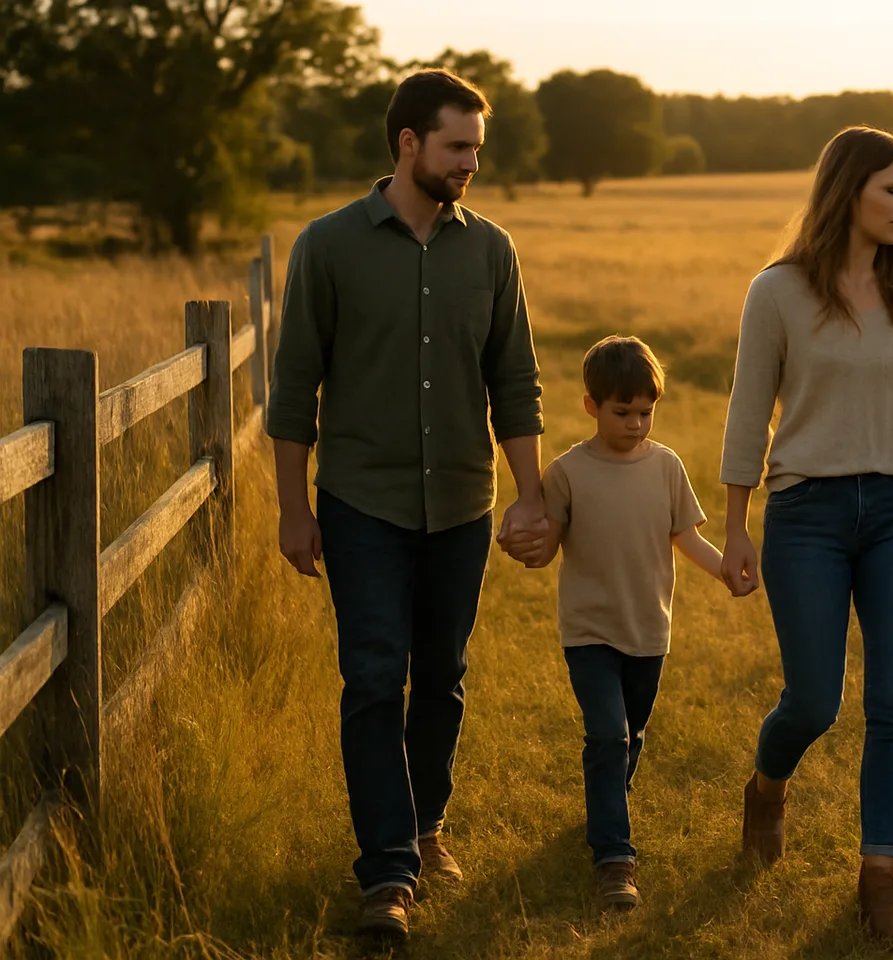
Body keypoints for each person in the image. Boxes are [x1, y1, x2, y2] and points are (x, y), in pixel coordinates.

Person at [265, 69, 548, 939]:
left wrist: (533, 496)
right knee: (373, 678)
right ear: (408, 144)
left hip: (462, 502)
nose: (471, 163)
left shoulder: (492, 251)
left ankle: (427, 829)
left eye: (477, 149)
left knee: (445, 678)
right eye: (458, 147)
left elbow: (514, 383)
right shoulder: (328, 246)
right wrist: (292, 509)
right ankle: (386, 871)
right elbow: (293, 389)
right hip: (361, 504)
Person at [718, 125, 893, 948]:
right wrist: (735, 528)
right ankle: (768, 785)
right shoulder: (778, 292)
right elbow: (746, 415)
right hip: (807, 513)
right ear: (849, 192)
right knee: (813, 701)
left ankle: (880, 883)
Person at [503, 336, 752, 910]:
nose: (637, 424)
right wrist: (519, 542)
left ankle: (606, 799)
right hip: (589, 630)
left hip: (649, 631)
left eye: (646, 412)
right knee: (609, 734)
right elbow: (548, 544)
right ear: (591, 406)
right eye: (623, 412)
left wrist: (725, 572)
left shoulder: (666, 467)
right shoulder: (566, 473)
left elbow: (685, 536)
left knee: (631, 734)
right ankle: (614, 858)